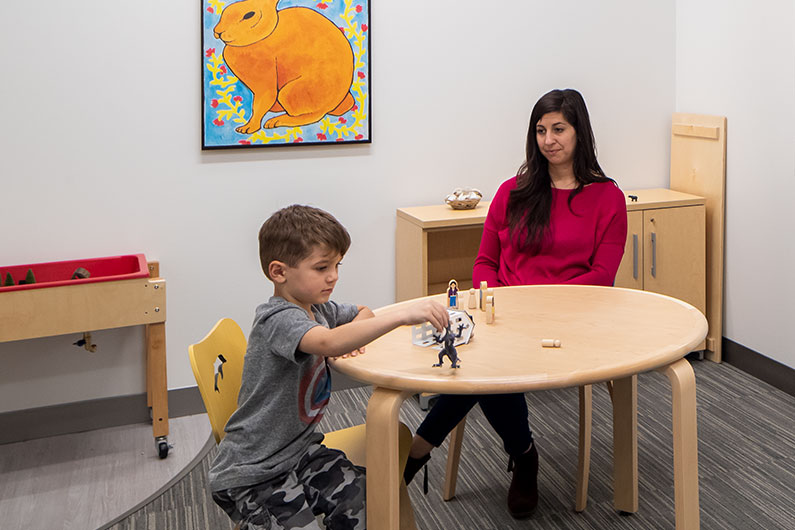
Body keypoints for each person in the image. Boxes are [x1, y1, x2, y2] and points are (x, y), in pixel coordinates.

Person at [404, 88, 628, 519]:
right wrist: (497, 301)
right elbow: (486, 261)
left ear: (580, 131)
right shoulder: (513, 192)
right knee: (485, 360)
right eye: (541, 130)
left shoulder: (607, 198)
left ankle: (428, 449)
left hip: (568, 320)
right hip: (501, 315)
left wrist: (539, 307)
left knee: (488, 369)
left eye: (559, 129)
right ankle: (522, 453)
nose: (549, 140)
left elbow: (602, 277)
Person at [210, 205, 449, 530]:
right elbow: (327, 343)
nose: (333, 275)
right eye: (322, 267)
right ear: (279, 272)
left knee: (364, 497)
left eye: (337, 265)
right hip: (254, 471)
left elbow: (362, 312)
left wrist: (347, 339)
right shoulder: (277, 319)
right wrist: (399, 317)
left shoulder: (318, 309)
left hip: (300, 451)